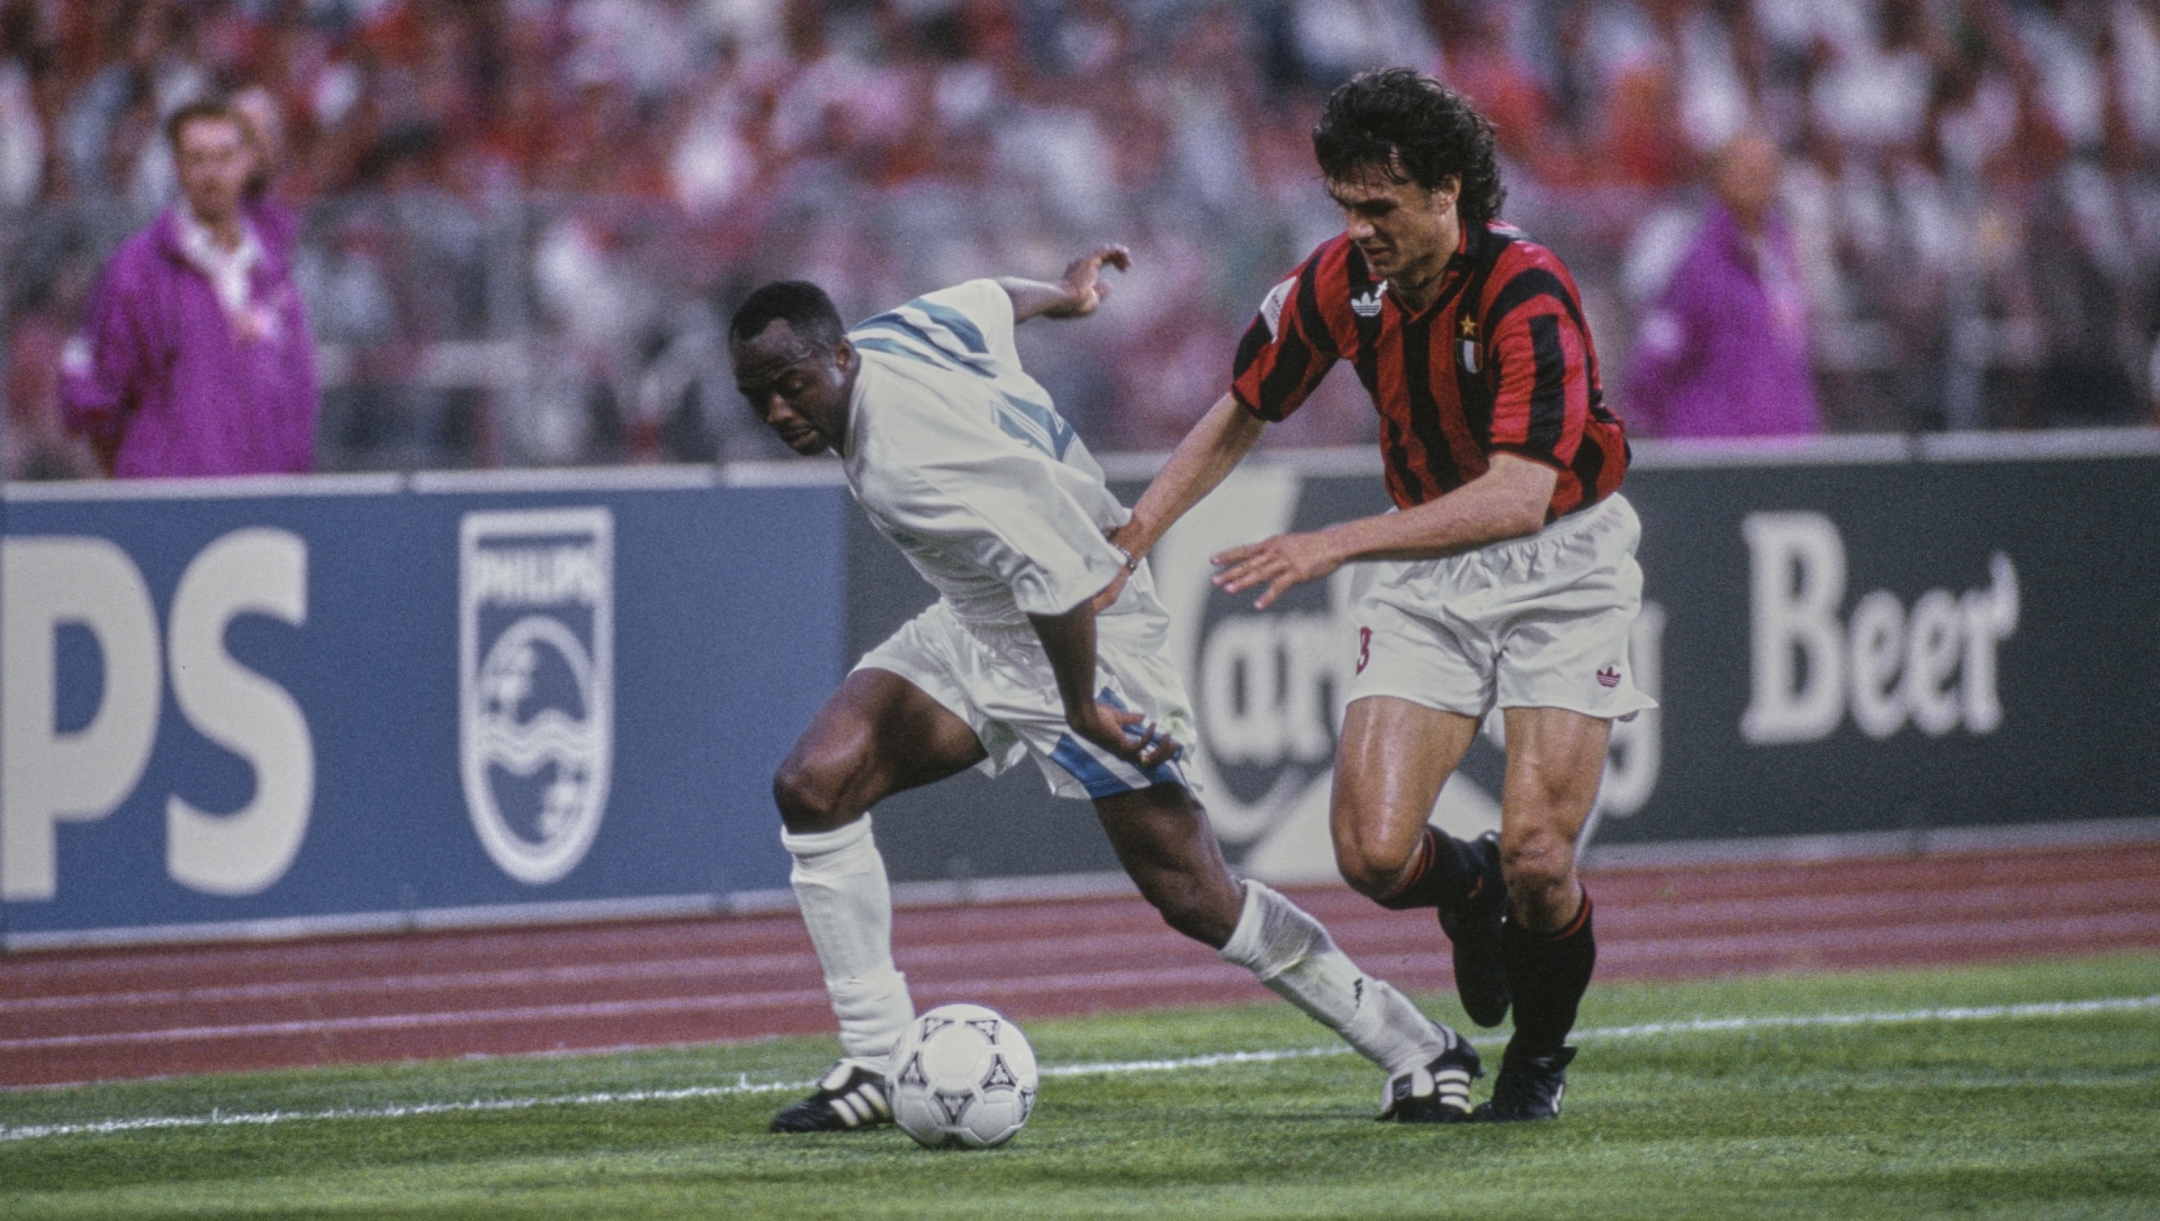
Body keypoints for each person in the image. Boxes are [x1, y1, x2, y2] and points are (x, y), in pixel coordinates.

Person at [729, 246, 1484, 1132]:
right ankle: (876, 1056)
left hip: (1090, 622)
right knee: (813, 785)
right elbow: (986, 296)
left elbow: (1059, 577)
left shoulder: (908, 462)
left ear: (839, 357)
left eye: (791, 384)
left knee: (1196, 895)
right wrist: (1064, 294)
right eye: (758, 397)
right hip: (986, 614)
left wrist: (1084, 707)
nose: (780, 410)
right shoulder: (895, 334)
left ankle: (1422, 1048)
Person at [1113, 68, 1654, 1122]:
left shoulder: (1528, 292)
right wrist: (1139, 528)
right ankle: (1468, 887)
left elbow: (1515, 494)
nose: (1359, 229)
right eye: (1346, 206)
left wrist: (1337, 544)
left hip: (1563, 560)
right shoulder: (1338, 285)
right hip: (1428, 566)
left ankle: (1536, 1063)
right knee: (1368, 852)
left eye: (1381, 207)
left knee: (1544, 855)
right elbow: (1241, 407)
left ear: (1450, 194)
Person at [60, 98, 318, 477]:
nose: (211, 172)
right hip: (169, 510)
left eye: (224, 156)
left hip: (266, 508)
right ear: (177, 167)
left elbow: (298, 385)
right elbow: (98, 401)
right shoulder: (136, 270)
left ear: (248, 161)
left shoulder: (269, 268)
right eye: (197, 159)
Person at [1623, 129, 1820, 437]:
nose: (1756, 173)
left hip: (1786, 438)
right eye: (1743, 165)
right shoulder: (1697, 257)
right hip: (1716, 442)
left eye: (1766, 165)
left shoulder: (1784, 249)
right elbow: (1660, 350)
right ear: (1717, 176)